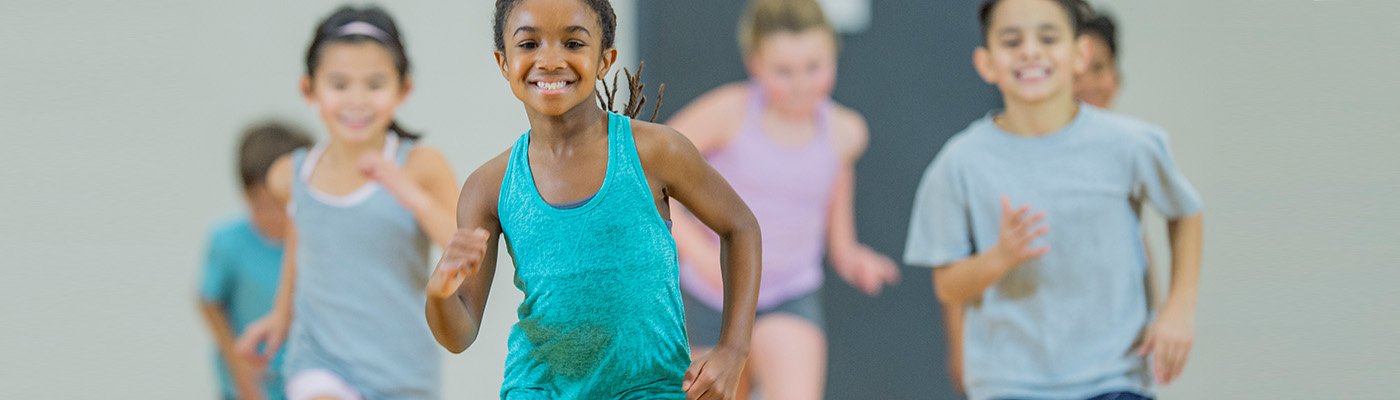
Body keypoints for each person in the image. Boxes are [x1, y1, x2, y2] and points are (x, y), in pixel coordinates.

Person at [424, 1, 762, 399]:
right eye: (529, 44)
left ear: (605, 60)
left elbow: (740, 227)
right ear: (504, 62)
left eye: (573, 43)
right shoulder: (489, 186)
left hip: (650, 388)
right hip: (538, 390)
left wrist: (733, 349)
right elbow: (459, 334)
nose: (550, 60)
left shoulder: (656, 152)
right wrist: (439, 292)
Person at [904, 0, 1205, 399]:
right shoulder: (959, 163)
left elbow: (1186, 213)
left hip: (1114, 378)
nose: (1030, 51)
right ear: (986, 62)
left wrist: (1178, 311)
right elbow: (947, 286)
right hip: (1009, 384)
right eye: (1012, 41)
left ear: (1080, 54)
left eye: (1048, 37)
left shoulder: (1130, 145)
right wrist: (1000, 257)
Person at [664, 0, 899, 398]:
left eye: (814, 67)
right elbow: (653, 174)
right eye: (784, 72)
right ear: (755, 63)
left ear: (834, 55)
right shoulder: (729, 112)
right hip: (710, 292)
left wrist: (851, 256)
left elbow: (831, 204)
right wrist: (696, 252)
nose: (801, 84)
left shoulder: (844, 133)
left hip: (789, 291)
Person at [235, 6, 459, 399]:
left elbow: (461, 247)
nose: (357, 100)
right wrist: (281, 315)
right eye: (339, 84)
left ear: (402, 89)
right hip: (319, 363)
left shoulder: (422, 165)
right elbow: (300, 238)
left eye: (374, 84)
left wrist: (406, 190)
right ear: (310, 90)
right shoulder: (289, 175)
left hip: (403, 374)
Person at [199, 121, 312, 400]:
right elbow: (209, 300)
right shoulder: (228, 242)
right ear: (245, 194)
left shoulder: (315, 244)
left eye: (283, 204)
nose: (274, 216)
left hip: (304, 379)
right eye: (261, 204)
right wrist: (238, 366)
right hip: (250, 383)